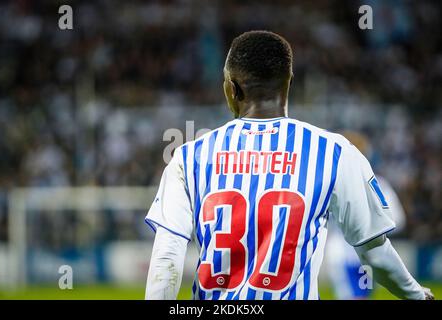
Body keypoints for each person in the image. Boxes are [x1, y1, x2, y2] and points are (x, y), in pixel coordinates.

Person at [144, 31, 433, 300]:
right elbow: (376, 255)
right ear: (289, 82)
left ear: (231, 88)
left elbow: (167, 256)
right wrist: (417, 294)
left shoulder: (188, 157)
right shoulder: (334, 152)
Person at [326, 131, 407, 299]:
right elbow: (397, 219)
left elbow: (398, 219)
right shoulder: (379, 183)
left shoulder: (329, 182)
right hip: (361, 254)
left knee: (357, 296)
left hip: (351, 253)